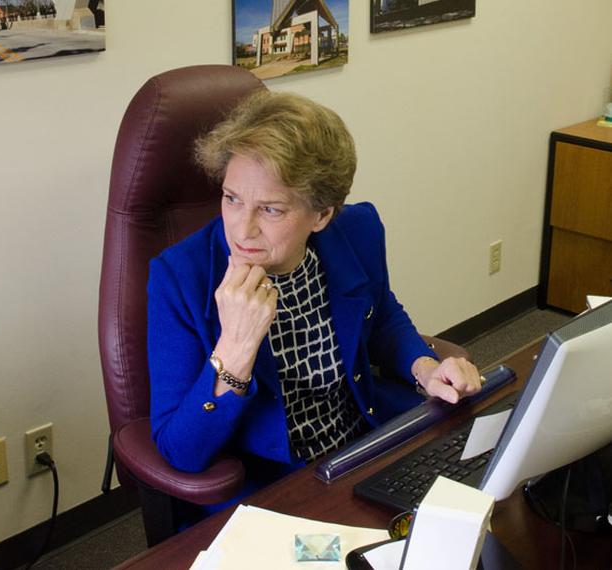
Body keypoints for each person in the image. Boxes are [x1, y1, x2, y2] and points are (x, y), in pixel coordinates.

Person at [146, 91, 481, 497]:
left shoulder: (356, 231)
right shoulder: (180, 278)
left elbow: (381, 316)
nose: (242, 228)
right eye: (232, 199)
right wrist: (236, 346)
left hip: (365, 445)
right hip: (277, 484)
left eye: (271, 209)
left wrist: (424, 367)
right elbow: (181, 452)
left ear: (321, 215)